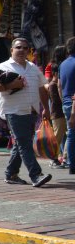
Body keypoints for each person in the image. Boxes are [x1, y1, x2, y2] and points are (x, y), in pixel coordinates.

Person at [0, 37, 50, 187]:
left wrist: (46, 108)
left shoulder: (33, 68)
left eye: (25, 48)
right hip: (14, 111)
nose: (22, 50)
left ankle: (11, 174)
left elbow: (41, 88)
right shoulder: (3, 66)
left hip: (31, 110)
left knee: (21, 143)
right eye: (18, 47)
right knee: (25, 144)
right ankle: (36, 175)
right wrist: (12, 84)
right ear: (12, 50)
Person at [45, 49, 67, 168]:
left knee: (63, 135)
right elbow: (55, 100)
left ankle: (63, 158)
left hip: (59, 113)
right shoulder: (53, 85)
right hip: (57, 113)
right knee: (57, 137)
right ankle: (53, 159)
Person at [60, 38, 75, 175]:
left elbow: (60, 85)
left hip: (66, 102)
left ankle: (71, 164)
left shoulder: (63, 64)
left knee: (71, 134)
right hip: (73, 102)